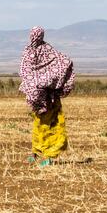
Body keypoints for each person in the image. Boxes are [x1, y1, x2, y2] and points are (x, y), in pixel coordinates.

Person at [19, 26, 75, 167]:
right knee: (42, 124)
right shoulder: (42, 50)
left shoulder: (34, 51)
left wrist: (41, 82)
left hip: (45, 96)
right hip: (43, 97)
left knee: (48, 124)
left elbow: (26, 71)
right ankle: (37, 153)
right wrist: (42, 82)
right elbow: (64, 62)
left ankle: (49, 156)